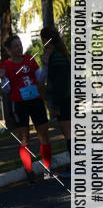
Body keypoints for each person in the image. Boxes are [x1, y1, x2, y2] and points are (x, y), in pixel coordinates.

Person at [0, 34, 54, 182]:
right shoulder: (6, 65)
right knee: (24, 139)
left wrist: (45, 65)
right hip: (19, 104)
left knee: (44, 135)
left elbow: (40, 78)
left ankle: (47, 168)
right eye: (16, 46)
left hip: (35, 101)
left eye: (20, 45)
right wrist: (3, 78)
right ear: (10, 50)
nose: (19, 48)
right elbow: (6, 90)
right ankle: (29, 171)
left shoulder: (29, 59)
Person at [40, 26, 71, 174]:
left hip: (63, 99)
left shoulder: (56, 56)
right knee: (69, 132)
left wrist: (56, 104)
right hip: (66, 97)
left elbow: (58, 82)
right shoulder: (61, 53)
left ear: (46, 41)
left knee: (68, 133)